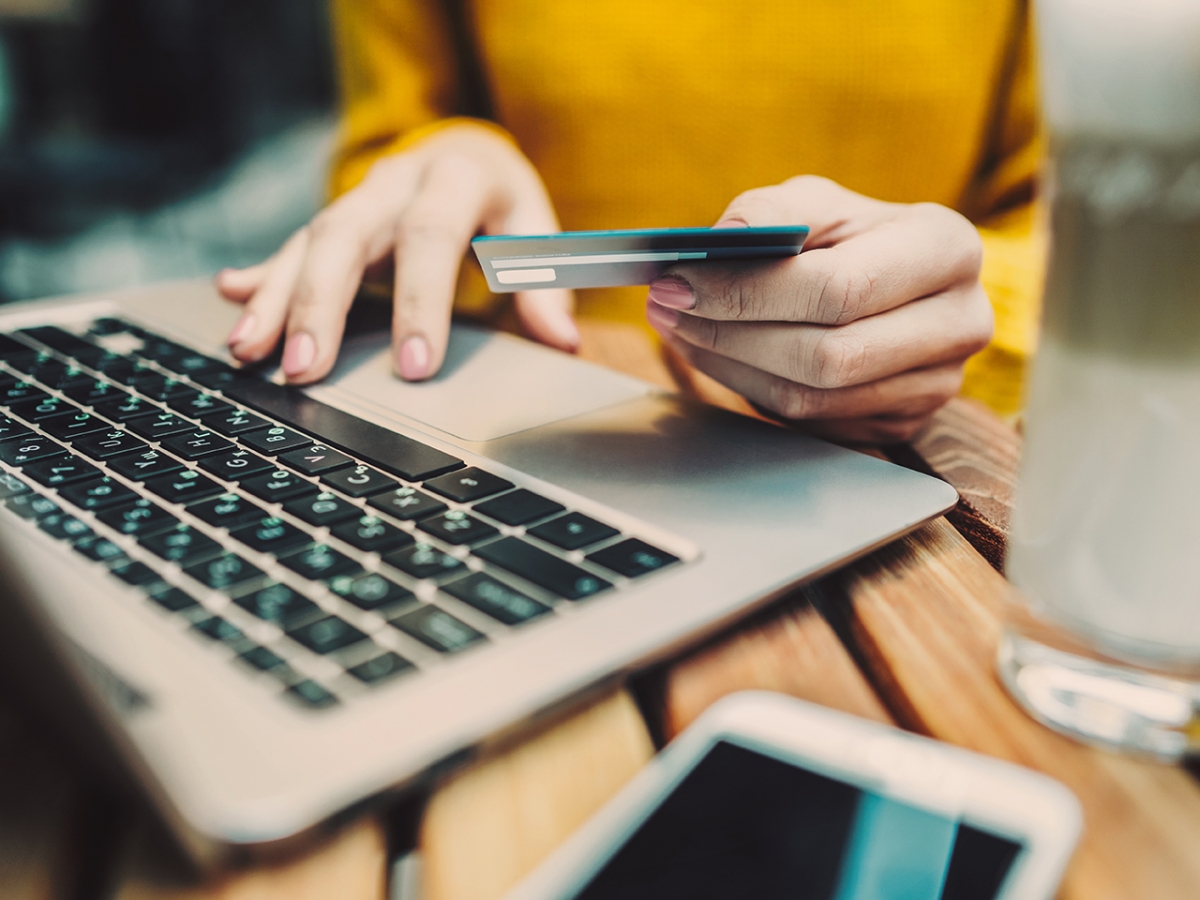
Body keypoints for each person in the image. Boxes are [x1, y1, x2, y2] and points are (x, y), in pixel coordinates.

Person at [216, 1, 1043, 443]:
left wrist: (948, 318)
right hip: (506, 422)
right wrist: (444, 160)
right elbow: (383, 154)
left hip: (902, 456)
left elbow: (1088, 245)